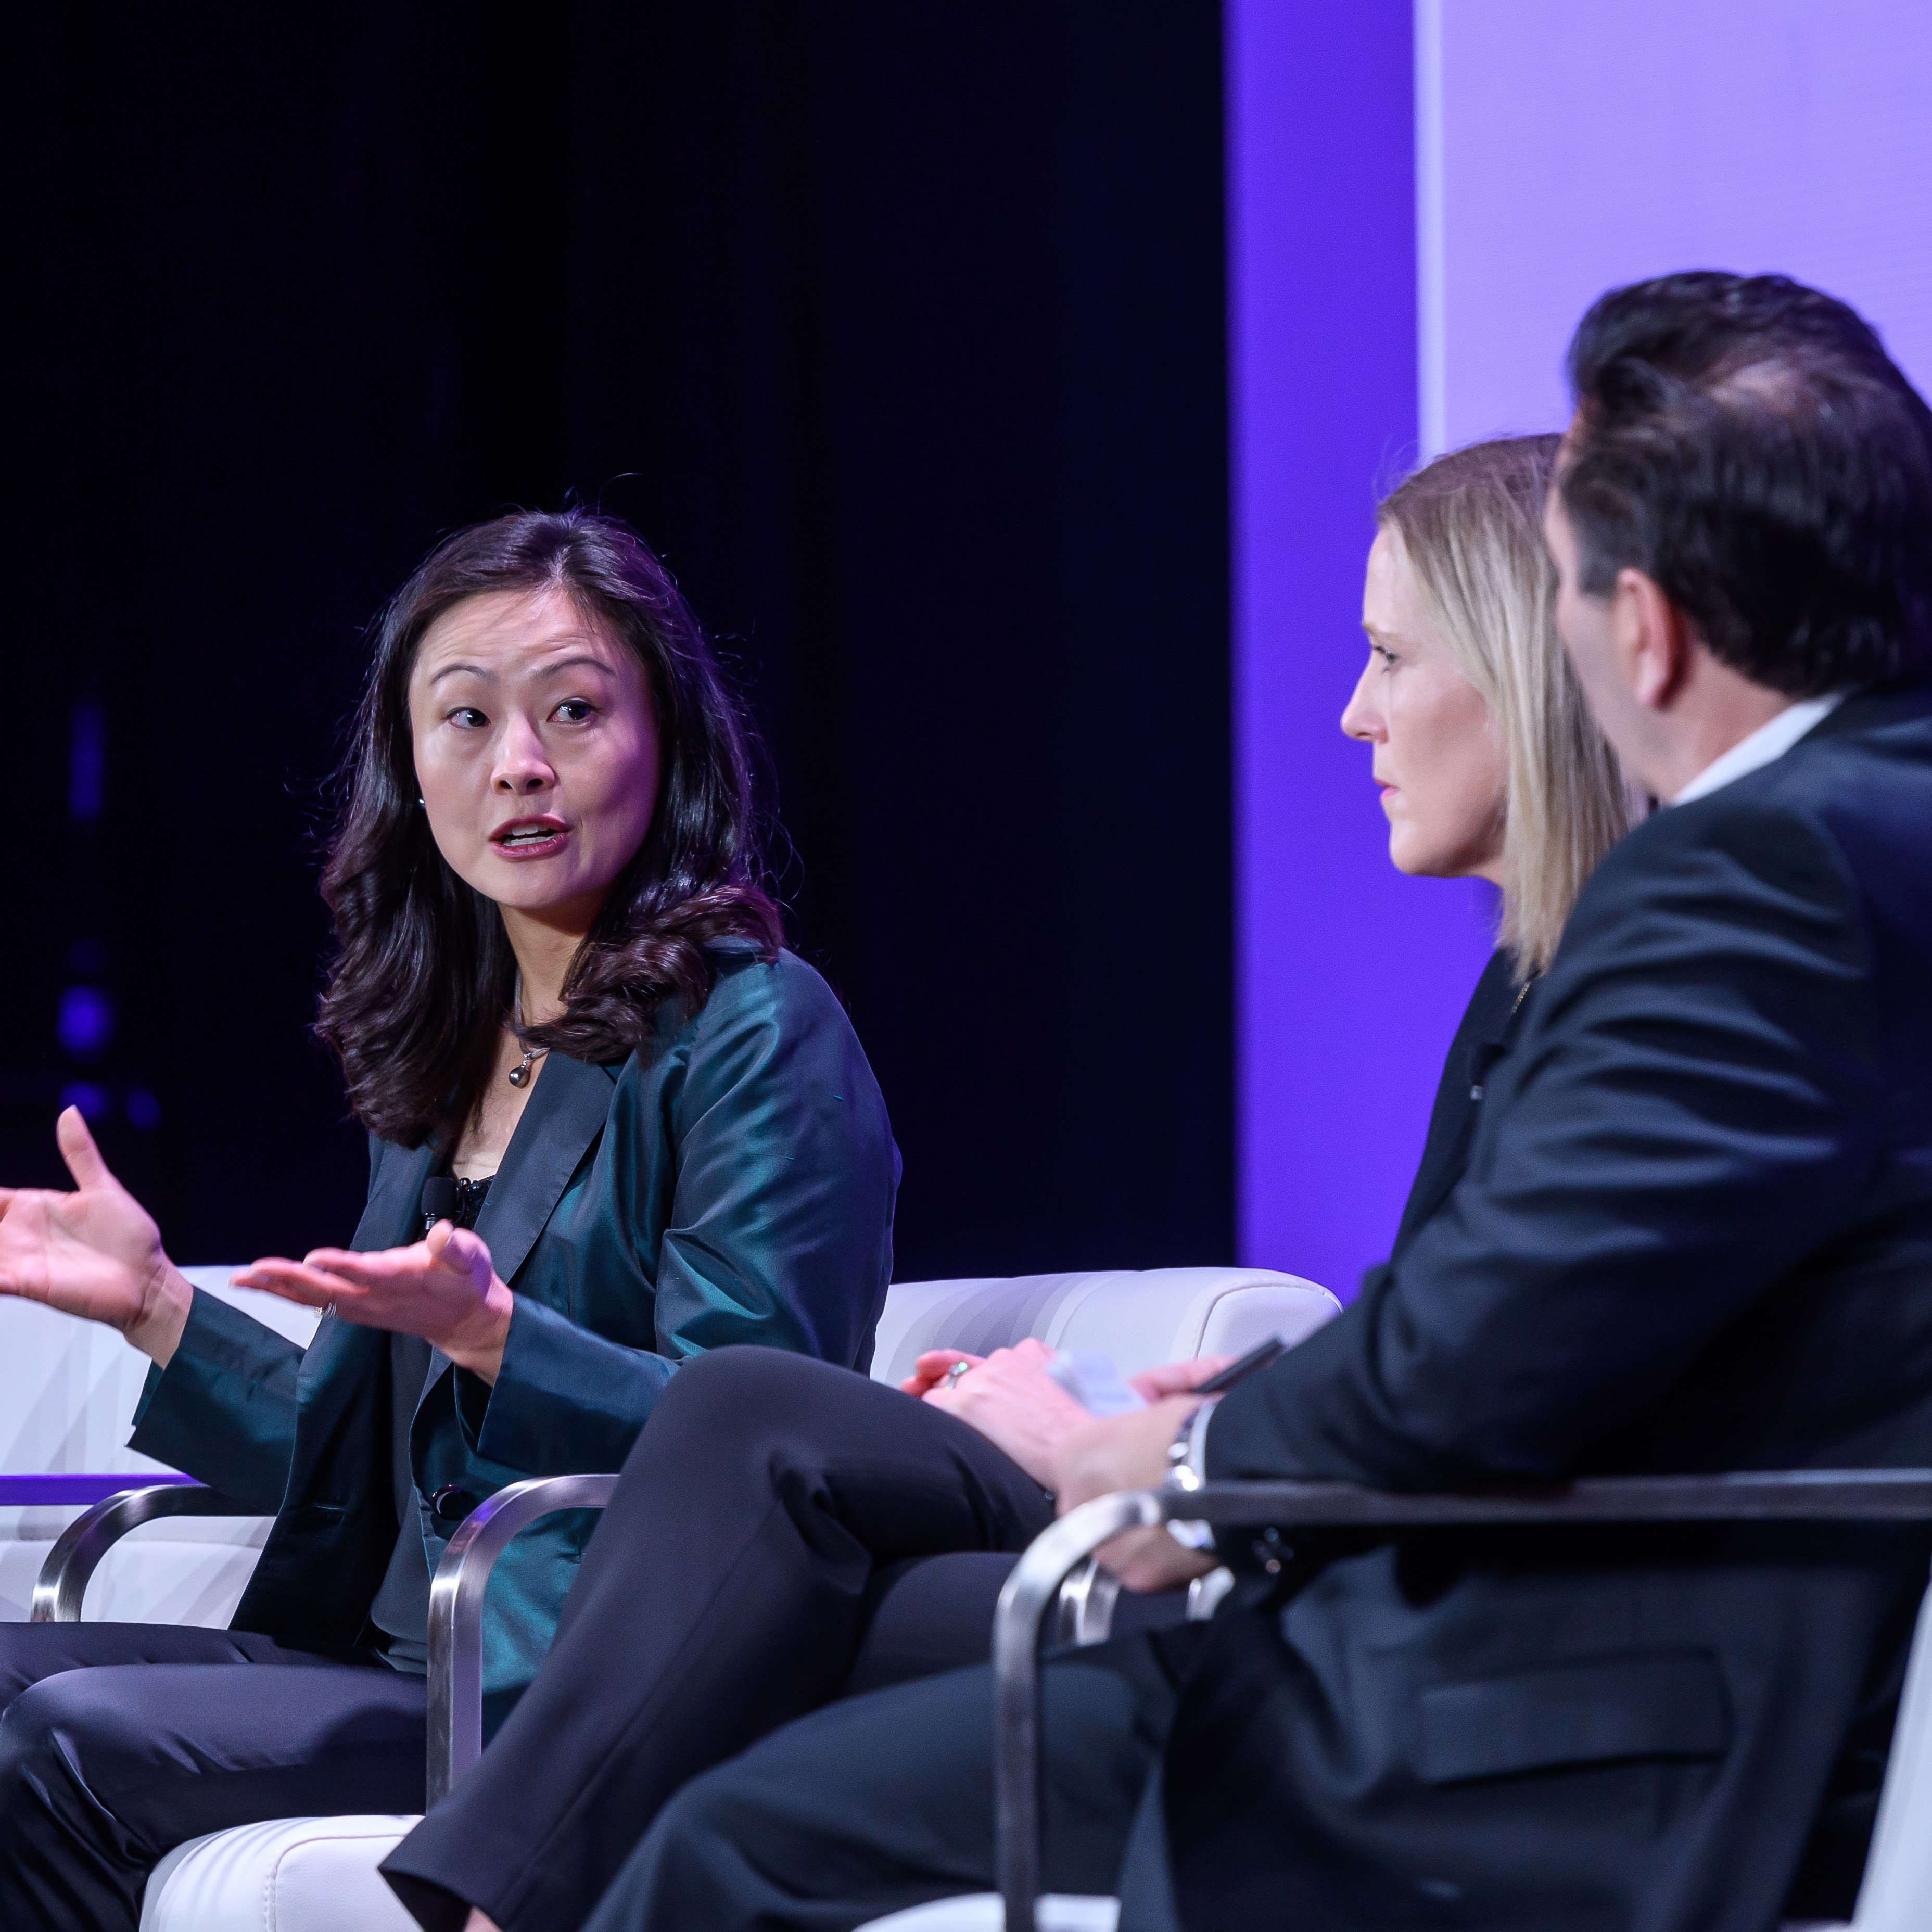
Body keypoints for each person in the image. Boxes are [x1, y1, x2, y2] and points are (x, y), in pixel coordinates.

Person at [530, 272, 1932, 1932]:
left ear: (1645, 625)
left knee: (737, 1842)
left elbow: (1501, 1343)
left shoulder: (1757, 876)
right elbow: (1624, 1300)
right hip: (1611, 1640)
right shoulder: (1868, 831)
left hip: (1574, 1716)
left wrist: (1192, 1469)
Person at [376, 432, 1639, 1932]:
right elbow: (1465, 1338)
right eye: (464, 721)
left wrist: (1143, 1454)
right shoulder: (1529, 982)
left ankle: (487, 1909)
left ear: (1523, 670)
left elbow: (1517, 1381)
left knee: (752, 1440)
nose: (1353, 713)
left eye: (1387, 658)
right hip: (1328, 1565)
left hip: (1434, 1653)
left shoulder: (1643, 986)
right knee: (801, 1627)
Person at [0, 509, 899, 1931]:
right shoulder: (451, 1045)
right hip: (398, 1651)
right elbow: (364, 1461)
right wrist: (156, 1308)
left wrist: (498, 1338)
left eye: (574, 711)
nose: (519, 764)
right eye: (466, 718)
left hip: (558, 1692)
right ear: (410, 770)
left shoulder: (751, 1028)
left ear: (665, 737)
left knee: (57, 1753)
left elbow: (763, 1448)